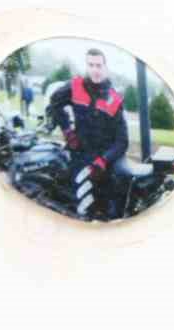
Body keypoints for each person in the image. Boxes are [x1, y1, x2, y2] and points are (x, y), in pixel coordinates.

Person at [48, 48, 130, 219]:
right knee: (76, 208)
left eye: (99, 65)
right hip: (79, 156)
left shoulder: (114, 99)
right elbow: (54, 104)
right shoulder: (75, 86)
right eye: (91, 65)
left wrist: (103, 160)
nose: (95, 70)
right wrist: (67, 131)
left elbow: (123, 141)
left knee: (106, 214)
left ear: (106, 67)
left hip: (104, 164)